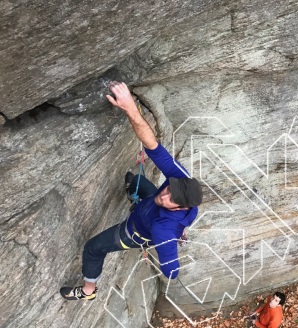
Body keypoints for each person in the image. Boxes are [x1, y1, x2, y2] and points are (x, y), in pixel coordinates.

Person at [60, 81, 203, 301]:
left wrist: (169, 244)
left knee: (93, 248)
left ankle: (88, 291)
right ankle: (135, 199)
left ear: (181, 207)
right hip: (147, 210)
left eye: (171, 199)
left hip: (133, 232)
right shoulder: (181, 178)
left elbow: (172, 273)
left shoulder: (164, 231)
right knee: (135, 179)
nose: (164, 195)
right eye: (169, 190)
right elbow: (153, 145)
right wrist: (130, 109)